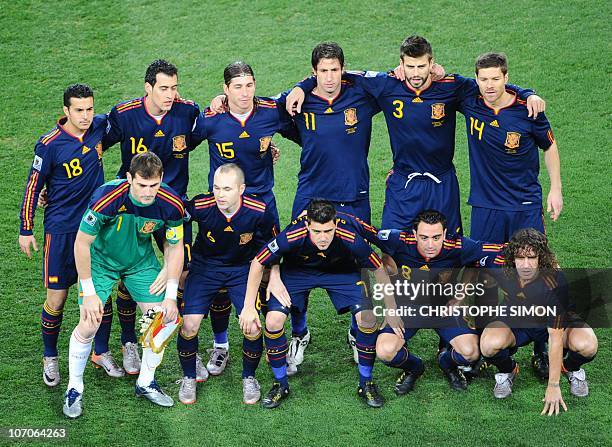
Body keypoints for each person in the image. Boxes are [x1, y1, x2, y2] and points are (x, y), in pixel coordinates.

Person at [191, 61, 299, 376]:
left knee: (273, 275)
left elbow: (303, 128)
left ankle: (279, 347)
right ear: (225, 90)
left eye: (249, 85)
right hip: (223, 205)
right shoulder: (211, 120)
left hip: (262, 205)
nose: (244, 93)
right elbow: (177, 145)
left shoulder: (270, 111)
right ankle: (221, 345)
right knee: (223, 276)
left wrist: (269, 147)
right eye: (237, 87)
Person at [459, 52, 563, 378]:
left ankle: (541, 347)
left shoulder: (527, 110)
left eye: (495, 78)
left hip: (523, 207)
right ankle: (486, 342)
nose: (489, 85)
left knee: (537, 273)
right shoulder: (470, 99)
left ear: (506, 77)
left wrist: (555, 189)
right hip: (486, 207)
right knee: (483, 274)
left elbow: (549, 147)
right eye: (483, 79)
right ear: (477, 80)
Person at [240, 200, 397, 408]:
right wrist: (249, 306)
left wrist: (393, 309)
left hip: (341, 272)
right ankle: (280, 384)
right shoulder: (293, 234)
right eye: (317, 231)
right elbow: (259, 261)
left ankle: (366, 383)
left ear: (336, 225)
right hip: (299, 272)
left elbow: (378, 269)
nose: (323, 237)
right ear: (307, 225)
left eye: (328, 231)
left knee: (368, 318)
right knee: (273, 321)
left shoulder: (349, 236)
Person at [62, 152, 184, 418]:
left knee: (163, 319)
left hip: (139, 263)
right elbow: (81, 243)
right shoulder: (106, 198)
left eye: (154, 185)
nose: (147, 192)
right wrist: (91, 292)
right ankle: (74, 388)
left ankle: (146, 382)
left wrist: (171, 294)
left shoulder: (171, 203)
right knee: (89, 322)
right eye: (141, 185)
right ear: (129, 178)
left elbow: (174, 246)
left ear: (161, 179)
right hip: (101, 264)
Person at [102, 59, 203, 378]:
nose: (171, 94)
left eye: (174, 87)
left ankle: (188, 351)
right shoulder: (125, 114)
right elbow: (93, 147)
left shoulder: (187, 112)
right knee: (128, 274)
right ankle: (129, 342)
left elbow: (210, 131)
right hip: (132, 209)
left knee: (184, 274)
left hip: (173, 207)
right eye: (164, 88)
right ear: (148, 88)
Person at [18, 83, 117, 387]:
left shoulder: (100, 127)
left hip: (97, 227)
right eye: (79, 110)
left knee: (101, 294)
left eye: (89, 108)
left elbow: (132, 116)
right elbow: (34, 185)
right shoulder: (49, 145)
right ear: (66, 111)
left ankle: (100, 351)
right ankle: (50, 356)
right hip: (61, 231)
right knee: (57, 299)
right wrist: (26, 228)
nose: (86, 115)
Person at [176, 163, 277, 405]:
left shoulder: (259, 210)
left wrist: (272, 274)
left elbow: (272, 245)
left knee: (252, 326)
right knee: (189, 325)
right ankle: (189, 376)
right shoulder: (202, 205)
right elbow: (178, 218)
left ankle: (249, 378)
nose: (220, 194)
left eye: (227, 189)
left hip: (241, 269)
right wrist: (185, 257)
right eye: (216, 188)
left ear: (241, 189)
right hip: (205, 267)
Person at [373, 210, 504, 392]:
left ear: (444, 234)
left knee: (471, 352)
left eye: (436, 237)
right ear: (414, 234)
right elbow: (372, 250)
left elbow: (484, 258)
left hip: (444, 309)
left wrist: (460, 295)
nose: (430, 245)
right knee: (385, 351)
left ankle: (446, 362)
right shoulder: (398, 241)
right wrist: (391, 308)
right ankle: (414, 367)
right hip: (408, 308)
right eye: (424, 237)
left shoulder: (458, 246)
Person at [479, 229, 597, 415]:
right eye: (520, 258)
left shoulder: (554, 282)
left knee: (587, 345)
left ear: (540, 259)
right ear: (512, 257)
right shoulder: (500, 264)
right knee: (488, 344)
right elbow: (472, 257)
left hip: (555, 323)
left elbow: (555, 337)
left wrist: (553, 385)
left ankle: (570, 367)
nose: (525, 265)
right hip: (518, 319)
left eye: (531, 258)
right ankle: (508, 370)